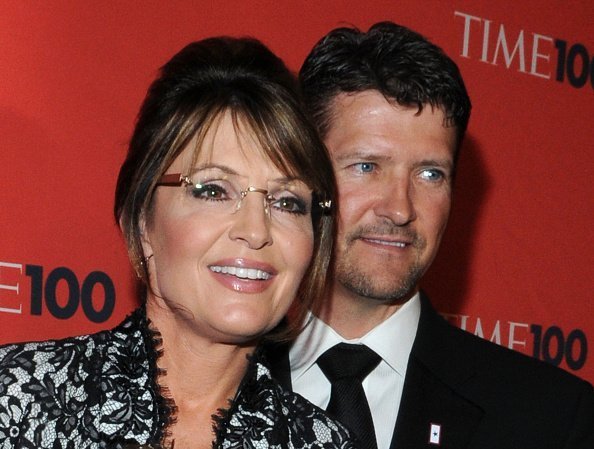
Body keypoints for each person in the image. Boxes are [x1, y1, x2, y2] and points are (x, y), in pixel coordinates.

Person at [0, 37, 358, 449]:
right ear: (141, 222)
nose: (256, 230)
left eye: (287, 202)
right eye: (213, 191)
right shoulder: (18, 399)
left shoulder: (322, 443)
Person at [267, 21, 594, 449]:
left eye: (429, 173)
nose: (400, 209)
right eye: (367, 167)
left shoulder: (552, 419)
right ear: (304, 175)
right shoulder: (205, 385)